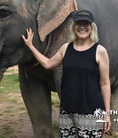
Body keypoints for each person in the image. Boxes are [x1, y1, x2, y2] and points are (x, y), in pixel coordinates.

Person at [22, 9, 111, 138]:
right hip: (67, 112)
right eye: (78, 23)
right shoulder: (65, 48)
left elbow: (105, 84)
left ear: (91, 27)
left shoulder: (99, 51)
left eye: (86, 23)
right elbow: (48, 64)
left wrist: (106, 114)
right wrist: (31, 46)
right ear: (74, 26)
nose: (82, 27)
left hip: (91, 113)